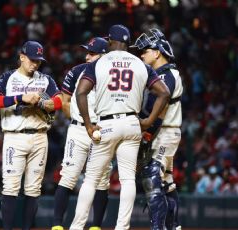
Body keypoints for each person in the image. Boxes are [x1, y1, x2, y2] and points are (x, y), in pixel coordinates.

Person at [71, 24, 170, 230]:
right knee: (127, 180)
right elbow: (164, 92)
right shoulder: (140, 63)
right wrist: (150, 120)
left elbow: (81, 92)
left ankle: (77, 227)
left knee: (91, 179)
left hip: (107, 123)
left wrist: (89, 125)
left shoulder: (101, 61)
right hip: (132, 123)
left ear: (109, 41)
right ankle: (122, 227)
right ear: (127, 42)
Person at [0, 41, 62, 230]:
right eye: (32, 59)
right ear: (22, 57)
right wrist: (20, 98)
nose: (35, 64)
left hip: (39, 136)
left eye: (38, 61)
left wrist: (47, 104)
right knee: (11, 187)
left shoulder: (45, 79)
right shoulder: (8, 77)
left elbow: (59, 101)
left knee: (33, 189)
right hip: (15, 137)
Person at [52, 37, 110, 230]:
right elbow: (65, 101)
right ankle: (57, 225)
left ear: (103, 56)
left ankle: (96, 226)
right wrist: (78, 119)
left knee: (102, 180)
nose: (87, 56)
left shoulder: (112, 74)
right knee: (68, 176)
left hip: (102, 131)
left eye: (91, 53)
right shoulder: (77, 71)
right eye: (87, 52)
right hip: (78, 130)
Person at [132, 28, 183, 230]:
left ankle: (158, 228)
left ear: (157, 52)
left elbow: (159, 113)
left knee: (152, 176)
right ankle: (174, 226)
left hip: (165, 132)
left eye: (145, 51)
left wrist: (146, 136)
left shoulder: (167, 74)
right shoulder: (160, 75)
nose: (142, 54)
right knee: (166, 183)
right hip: (163, 133)